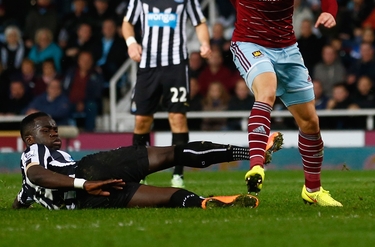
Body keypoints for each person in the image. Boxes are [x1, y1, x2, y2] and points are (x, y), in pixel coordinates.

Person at [218, 0, 342, 206]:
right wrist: (244, 16)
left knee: (310, 123)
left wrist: (330, 13)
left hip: (287, 47)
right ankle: (256, 164)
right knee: (267, 89)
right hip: (249, 42)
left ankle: (312, 192)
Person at [13, 112, 266, 210]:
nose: (54, 132)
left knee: (169, 196)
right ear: (29, 138)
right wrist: (83, 183)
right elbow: (37, 174)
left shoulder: (29, 190)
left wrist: (13, 208)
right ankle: (252, 152)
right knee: (172, 154)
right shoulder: (34, 152)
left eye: (55, 128)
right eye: (47, 130)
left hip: (93, 200)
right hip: (91, 175)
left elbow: (23, 196)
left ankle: (202, 203)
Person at [122, 0, 211, 189]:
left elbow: (199, 21)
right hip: (148, 66)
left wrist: (204, 43)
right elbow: (127, 23)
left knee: (178, 119)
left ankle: (178, 176)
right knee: (141, 121)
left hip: (175, 67)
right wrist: (131, 43)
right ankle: (139, 174)